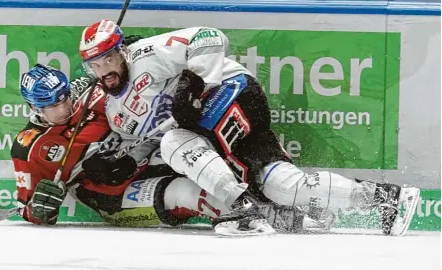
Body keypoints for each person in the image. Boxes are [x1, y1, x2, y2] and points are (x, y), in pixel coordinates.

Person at [78, 19, 420, 236]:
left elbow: (208, 36)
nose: (103, 69)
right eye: (94, 65)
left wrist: (195, 81)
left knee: (174, 141)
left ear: (121, 51)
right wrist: (128, 161)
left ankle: (241, 208)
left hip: (231, 92)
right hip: (212, 132)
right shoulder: (117, 113)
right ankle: (386, 198)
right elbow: (150, 141)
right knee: (282, 184)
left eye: (108, 58)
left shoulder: (147, 52)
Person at [11, 63, 246, 232]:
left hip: (147, 155)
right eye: (52, 104)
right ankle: (249, 218)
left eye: (64, 97)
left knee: (206, 159)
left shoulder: (89, 91)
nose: (64, 107)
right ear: (34, 107)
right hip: (112, 196)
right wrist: (38, 211)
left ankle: (257, 197)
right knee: (188, 193)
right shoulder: (30, 148)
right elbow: (27, 208)